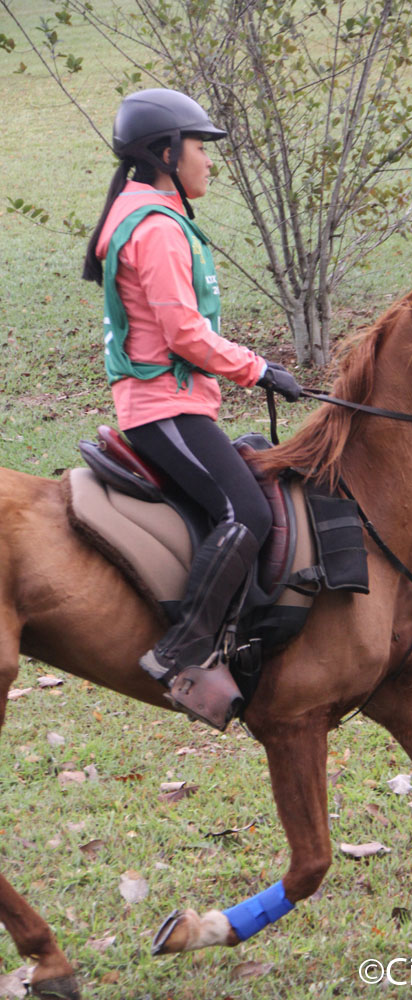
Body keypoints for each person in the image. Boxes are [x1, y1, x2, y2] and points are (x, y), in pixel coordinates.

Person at [82, 88, 302, 731]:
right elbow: (183, 333)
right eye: (200, 147)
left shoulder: (155, 216)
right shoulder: (154, 229)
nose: (209, 160)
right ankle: (182, 651)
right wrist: (259, 368)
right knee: (247, 511)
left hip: (178, 403)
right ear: (165, 153)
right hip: (162, 407)